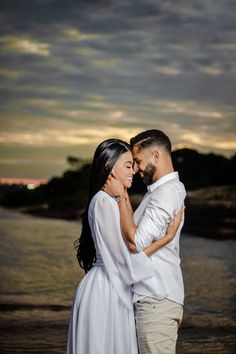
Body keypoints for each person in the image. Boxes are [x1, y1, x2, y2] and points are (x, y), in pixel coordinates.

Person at [67, 138, 183, 354]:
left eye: (134, 164)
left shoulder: (109, 200)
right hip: (106, 289)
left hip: (111, 285)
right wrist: (165, 239)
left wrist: (122, 196)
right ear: (109, 167)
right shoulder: (103, 202)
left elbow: (128, 240)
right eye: (128, 165)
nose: (134, 170)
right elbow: (126, 259)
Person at [106, 130, 186, 354]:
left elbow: (136, 243)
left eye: (138, 161)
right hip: (152, 298)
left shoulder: (167, 193)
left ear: (156, 156)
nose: (136, 168)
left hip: (157, 299)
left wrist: (121, 195)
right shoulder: (158, 192)